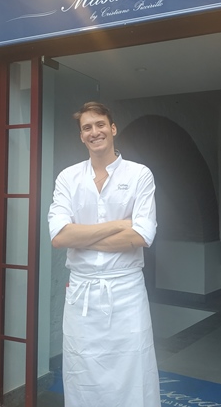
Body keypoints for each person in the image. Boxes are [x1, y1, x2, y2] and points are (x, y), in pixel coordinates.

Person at [48, 101, 160, 407]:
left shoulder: (139, 175)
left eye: (100, 125)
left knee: (132, 369)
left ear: (112, 129)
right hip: (82, 294)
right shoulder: (68, 178)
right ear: (81, 136)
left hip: (126, 292)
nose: (94, 132)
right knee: (82, 369)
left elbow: (141, 235)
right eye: (87, 127)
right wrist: (118, 225)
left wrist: (80, 237)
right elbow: (59, 237)